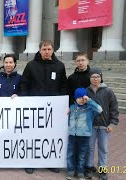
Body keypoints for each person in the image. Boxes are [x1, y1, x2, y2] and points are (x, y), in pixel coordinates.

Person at [19, 40, 67, 174]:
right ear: (39, 50)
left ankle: (49, 162)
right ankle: (31, 161)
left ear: (53, 50)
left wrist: (63, 103)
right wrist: (25, 102)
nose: (47, 51)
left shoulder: (59, 66)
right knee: (32, 135)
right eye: (44, 49)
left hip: (53, 109)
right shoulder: (31, 65)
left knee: (50, 136)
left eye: (49, 49)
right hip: (34, 107)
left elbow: (63, 86)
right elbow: (24, 84)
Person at [85, 67, 119, 180]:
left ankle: (102, 169)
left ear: (101, 78)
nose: (95, 79)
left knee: (103, 148)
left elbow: (114, 107)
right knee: (89, 147)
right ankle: (89, 167)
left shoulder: (108, 91)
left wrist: (112, 123)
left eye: (98, 76)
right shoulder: (86, 91)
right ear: (90, 78)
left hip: (104, 125)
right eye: (93, 76)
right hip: (91, 125)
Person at [66, 88, 103, 180]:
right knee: (71, 153)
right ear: (75, 98)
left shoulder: (90, 109)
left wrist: (89, 100)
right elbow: (67, 120)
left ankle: (80, 172)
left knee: (82, 155)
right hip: (72, 135)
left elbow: (100, 109)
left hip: (84, 136)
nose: (81, 100)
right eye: (79, 97)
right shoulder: (72, 108)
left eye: (83, 98)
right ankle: (71, 171)